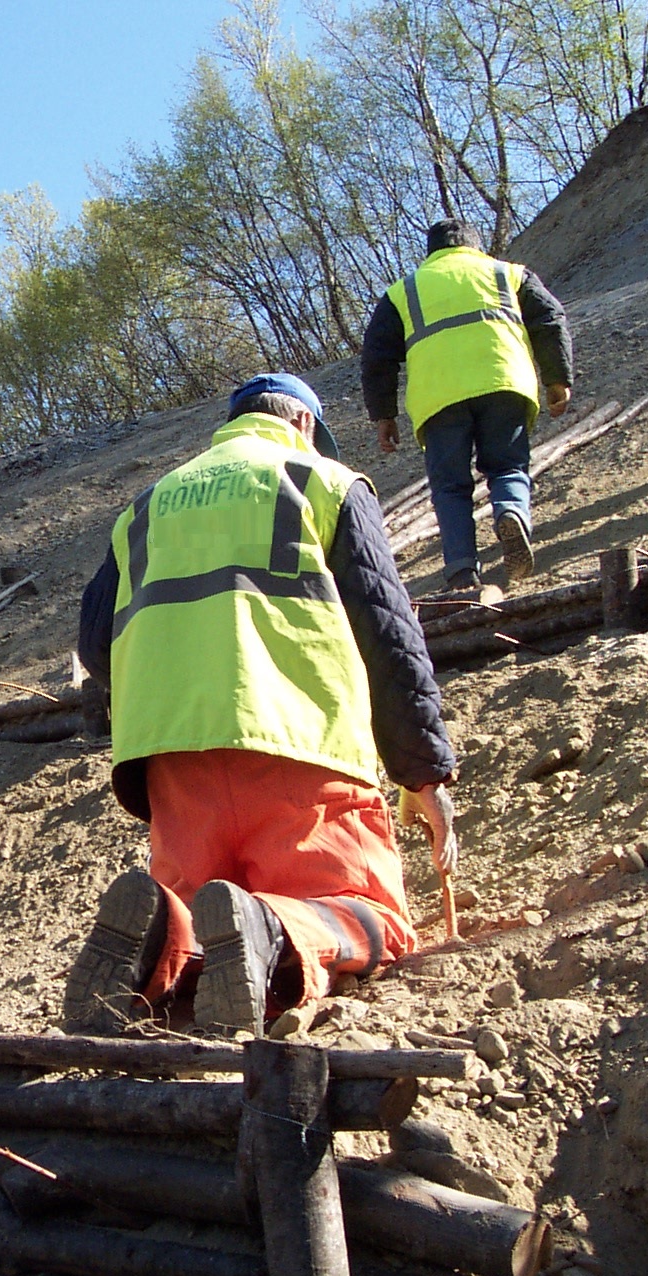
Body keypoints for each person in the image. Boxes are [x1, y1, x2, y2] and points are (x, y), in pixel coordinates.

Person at [66, 374, 459, 1037]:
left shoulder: (146, 508)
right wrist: (422, 775)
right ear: (304, 425)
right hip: (300, 746)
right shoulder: (325, 482)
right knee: (367, 913)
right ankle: (277, 926)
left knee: (201, 927)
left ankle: (160, 936)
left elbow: (95, 647)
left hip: (174, 764)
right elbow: (389, 635)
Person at [361, 219, 574, 596]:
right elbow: (549, 319)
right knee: (508, 466)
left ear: (432, 252)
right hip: (502, 381)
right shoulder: (507, 273)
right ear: (476, 247)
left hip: (438, 397)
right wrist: (557, 378)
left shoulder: (403, 292)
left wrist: (384, 416)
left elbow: (377, 357)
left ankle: (461, 571)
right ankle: (510, 511)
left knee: (450, 488)